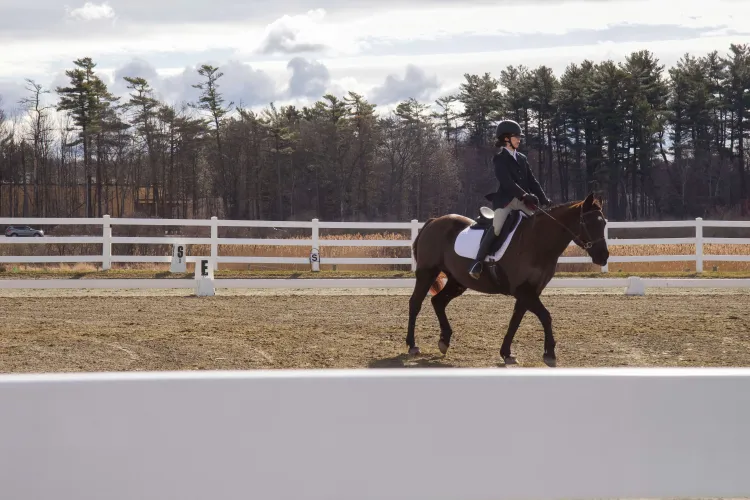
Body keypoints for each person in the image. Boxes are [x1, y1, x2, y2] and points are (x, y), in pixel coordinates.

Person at [469, 119, 552, 279]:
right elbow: (507, 182)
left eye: (519, 137)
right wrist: (524, 195)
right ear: (506, 138)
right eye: (516, 137)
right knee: (497, 227)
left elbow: (532, 181)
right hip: (506, 202)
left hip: (522, 202)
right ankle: (477, 262)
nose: (519, 139)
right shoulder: (500, 159)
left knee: (538, 224)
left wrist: (543, 198)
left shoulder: (522, 158)